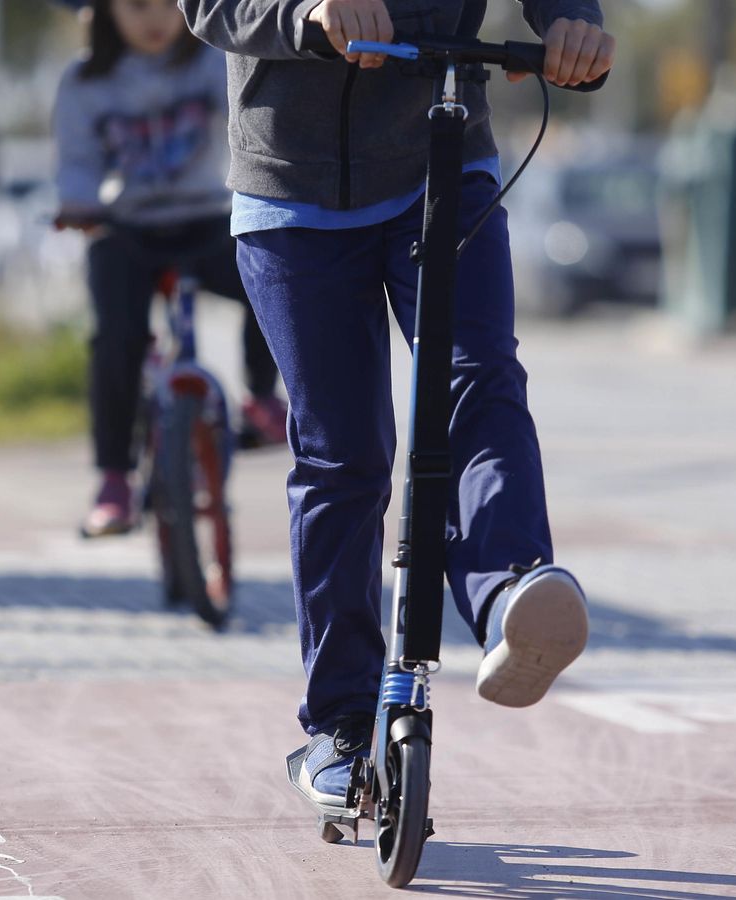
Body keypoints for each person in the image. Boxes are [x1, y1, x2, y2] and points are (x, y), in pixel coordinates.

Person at [179, 0, 612, 803]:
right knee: (344, 456)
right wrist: (306, 9)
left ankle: (510, 589)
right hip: (290, 187)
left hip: (441, 150)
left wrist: (571, 21)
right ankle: (339, 724)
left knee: (476, 376)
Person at [53, 0, 287, 538]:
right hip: (126, 227)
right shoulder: (86, 80)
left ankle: (258, 396)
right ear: (104, 12)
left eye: (167, 4)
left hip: (205, 219)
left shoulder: (211, 58)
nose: (155, 19)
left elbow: (247, 123)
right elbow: (77, 161)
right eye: (136, 6)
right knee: (115, 340)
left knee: (273, 276)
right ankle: (113, 478)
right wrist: (77, 204)